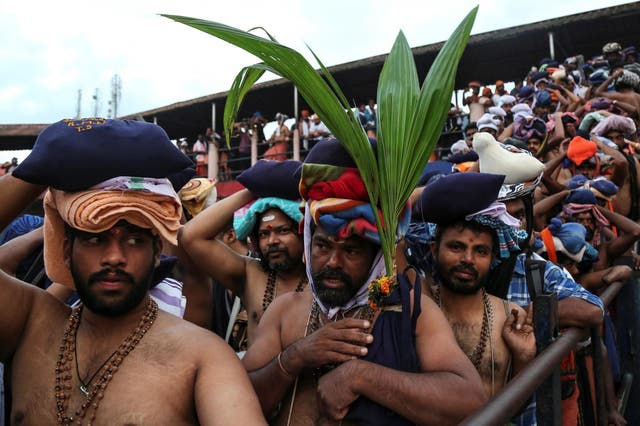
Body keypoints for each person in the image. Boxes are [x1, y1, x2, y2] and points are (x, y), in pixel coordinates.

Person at [0, 118, 265, 425]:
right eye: (95, 238)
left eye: (135, 239)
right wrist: (39, 168)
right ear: (65, 249)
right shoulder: (29, 323)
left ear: (157, 253)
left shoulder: (202, 359)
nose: (114, 257)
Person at [242, 139, 486, 425]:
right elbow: (235, 400)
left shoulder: (409, 309)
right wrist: (294, 358)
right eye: (322, 246)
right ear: (308, 242)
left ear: (376, 255)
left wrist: (362, 376)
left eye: (351, 250)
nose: (333, 262)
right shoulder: (285, 311)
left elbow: (469, 400)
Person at [414, 172, 536, 398]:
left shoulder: (511, 317)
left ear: (493, 258)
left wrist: (523, 358)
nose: (468, 259)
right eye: (456, 247)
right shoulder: (420, 307)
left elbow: (515, 408)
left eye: (480, 251)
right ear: (434, 250)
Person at [179, 162, 306, 348]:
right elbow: (191, 236)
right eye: (264, 234)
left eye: (283, 230)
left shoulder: (321, 281)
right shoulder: (250, 274)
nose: (272, 241)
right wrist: (254, 191)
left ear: (303, 234)